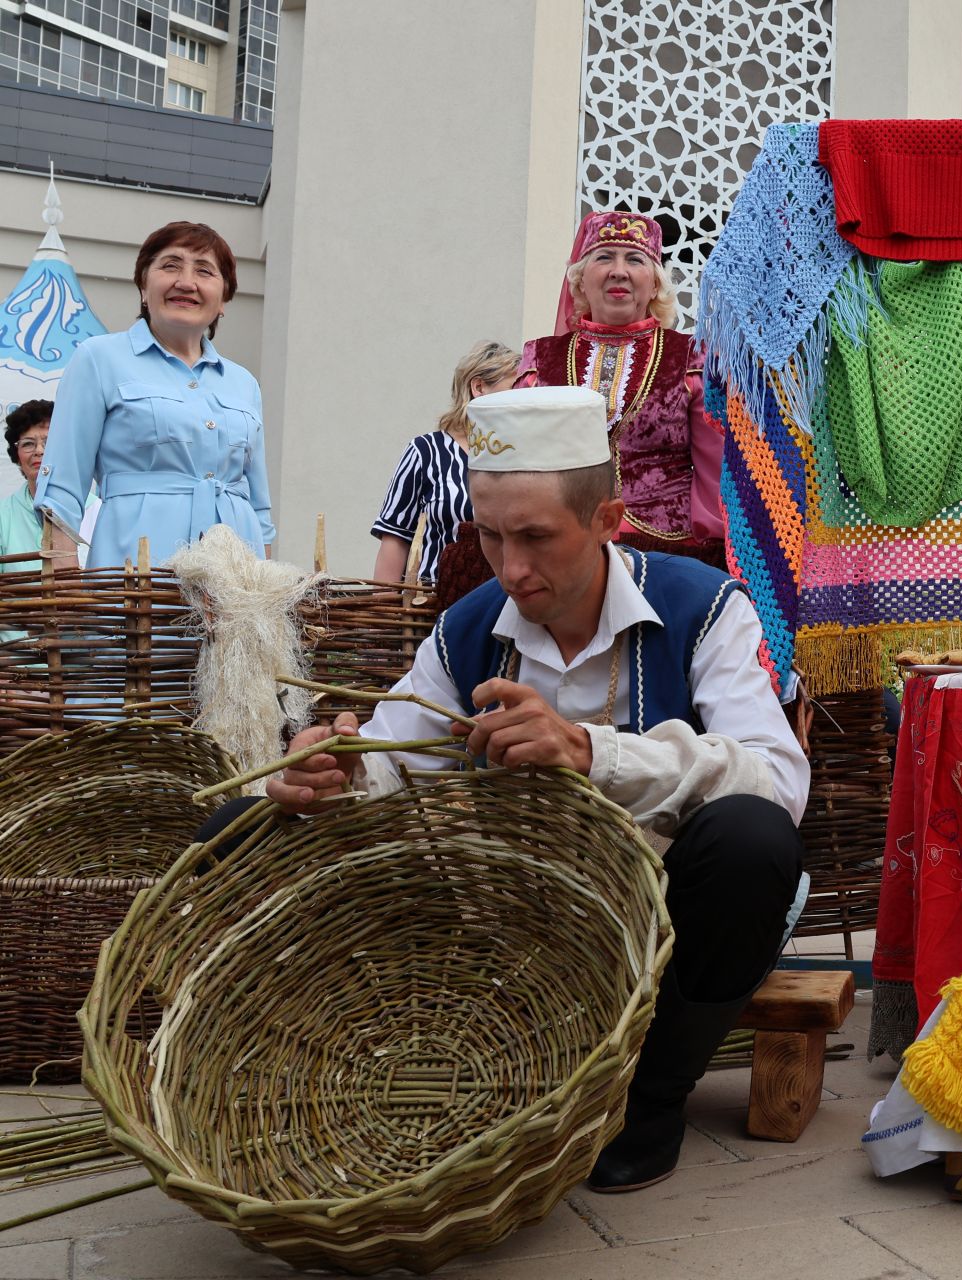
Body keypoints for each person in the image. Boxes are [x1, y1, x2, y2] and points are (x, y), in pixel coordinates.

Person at [257, 386, 807, 1193]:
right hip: (519, 916)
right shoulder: (468, 628)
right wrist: (335, 773)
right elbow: (390, 763)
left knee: (752, 842)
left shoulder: (704, 607)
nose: (511, 568)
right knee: (243, 825)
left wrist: (592, 751)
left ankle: (650, 1100)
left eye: (537, 537)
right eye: (488, 534)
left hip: (671, 915)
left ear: (609, 520)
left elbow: (779, 780)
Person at [35, 222, 273, 570]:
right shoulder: (98, 359)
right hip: (135, 571)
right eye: (170, 265)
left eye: (204, 271)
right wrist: (64, 581)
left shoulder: (244, 383)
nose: (186, 282)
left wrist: (265, 592)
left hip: (235, 582)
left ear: (223, 300)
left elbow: (260, 506)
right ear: (144, 286)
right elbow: (62, 485)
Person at [516, 212, 724, 564]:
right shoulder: (540, 359)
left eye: (634, 259)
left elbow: (715, 467)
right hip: (561, 551)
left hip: (665, 553)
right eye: (603, 257)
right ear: (580, 281)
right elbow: (521, 462)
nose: (618, 270)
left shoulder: (691, 357)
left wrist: (712, 551)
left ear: (655, 284)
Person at [369, 340, 518, 583]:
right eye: (514, 389)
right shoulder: (425, 452)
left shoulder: (520, 458)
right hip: (430, 608)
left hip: (502, 607)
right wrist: (384, 614)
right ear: (479, 387)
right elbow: (394, 540)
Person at [2, 400, 54, 567]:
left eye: (49, 443)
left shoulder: (94, 511)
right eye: (28, 444)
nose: (39, 451)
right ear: (17, 455)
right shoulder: (3, 515)